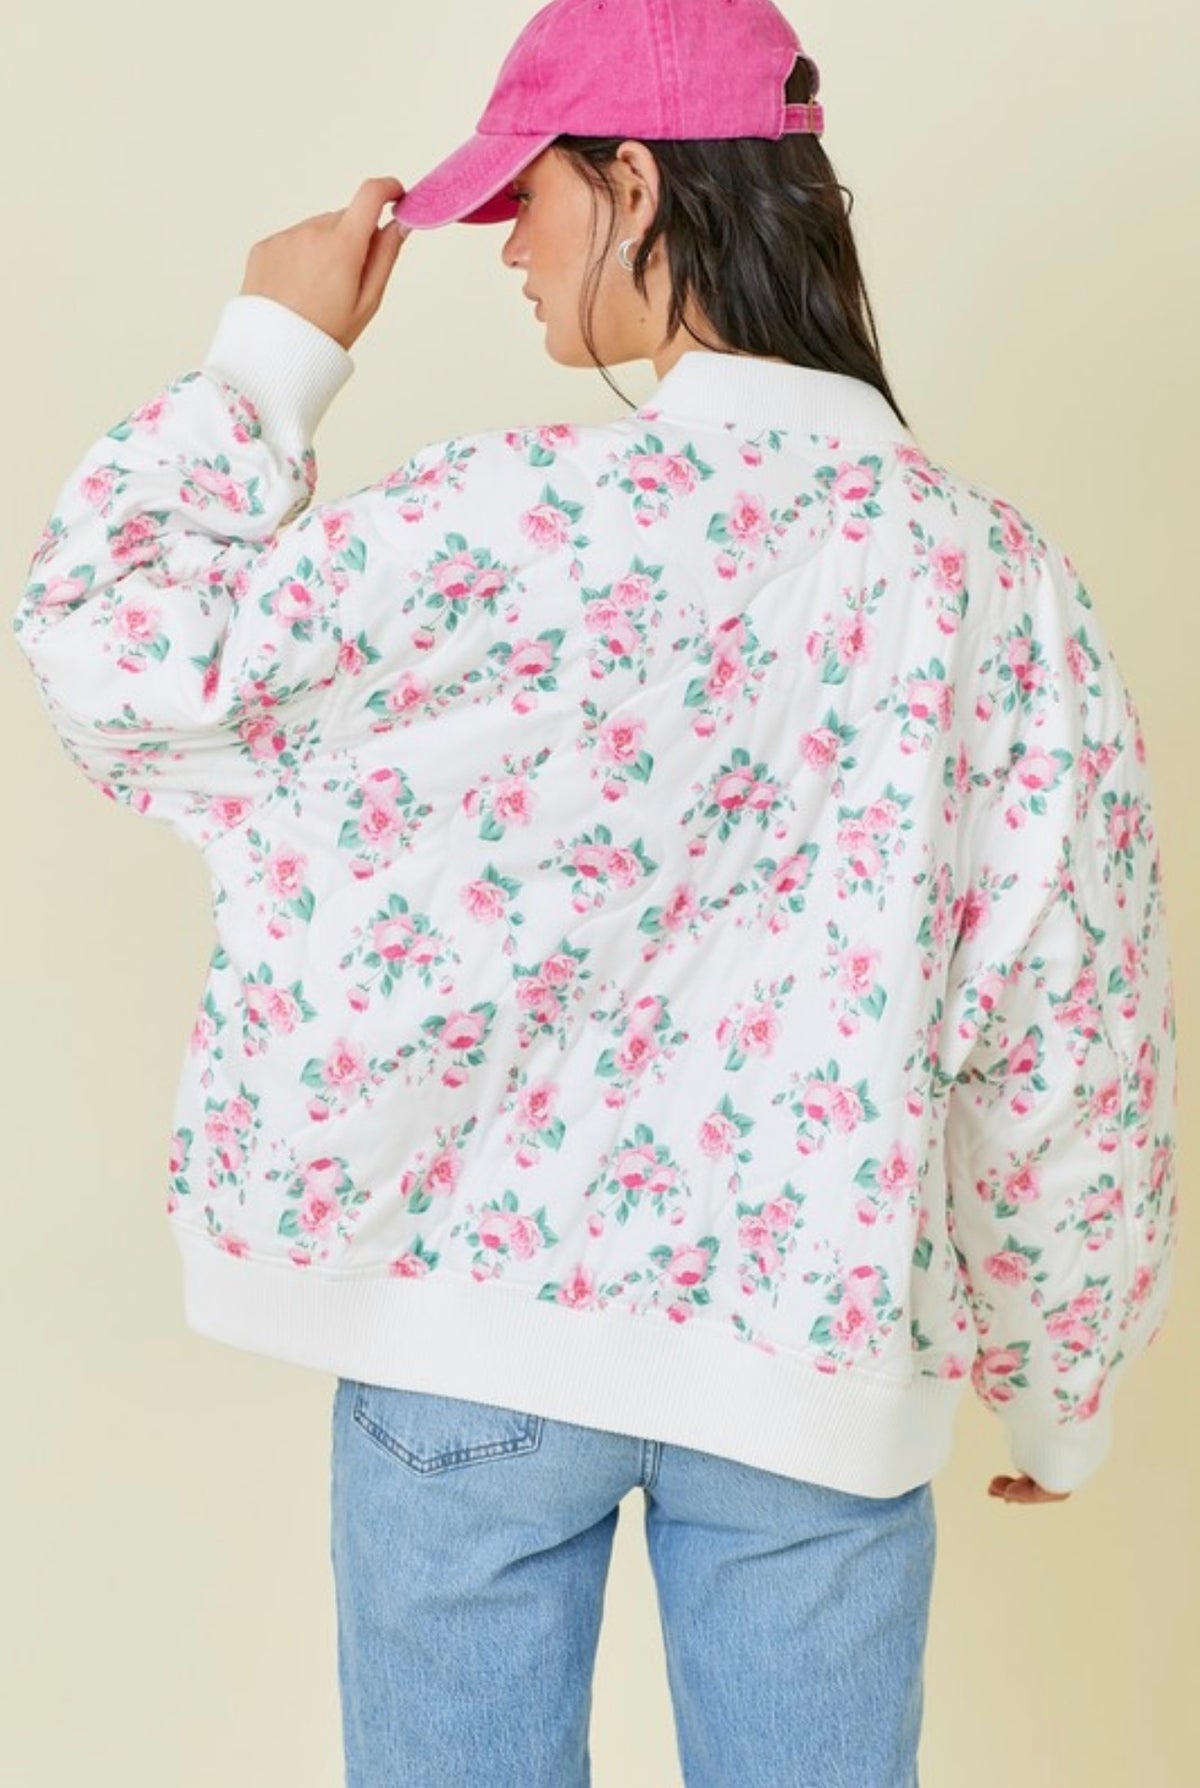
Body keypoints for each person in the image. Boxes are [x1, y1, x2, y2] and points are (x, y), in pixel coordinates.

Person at [11, 1, 1178, 1783]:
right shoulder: (990, 576)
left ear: (634, 184)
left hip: (463, 1343)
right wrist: (1056, 1377)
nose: (509, 249)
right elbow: (1064, 1014)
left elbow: (121, 653)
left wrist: (267, 356)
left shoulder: (497, 519)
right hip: (812, 1359)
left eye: (529, 198)